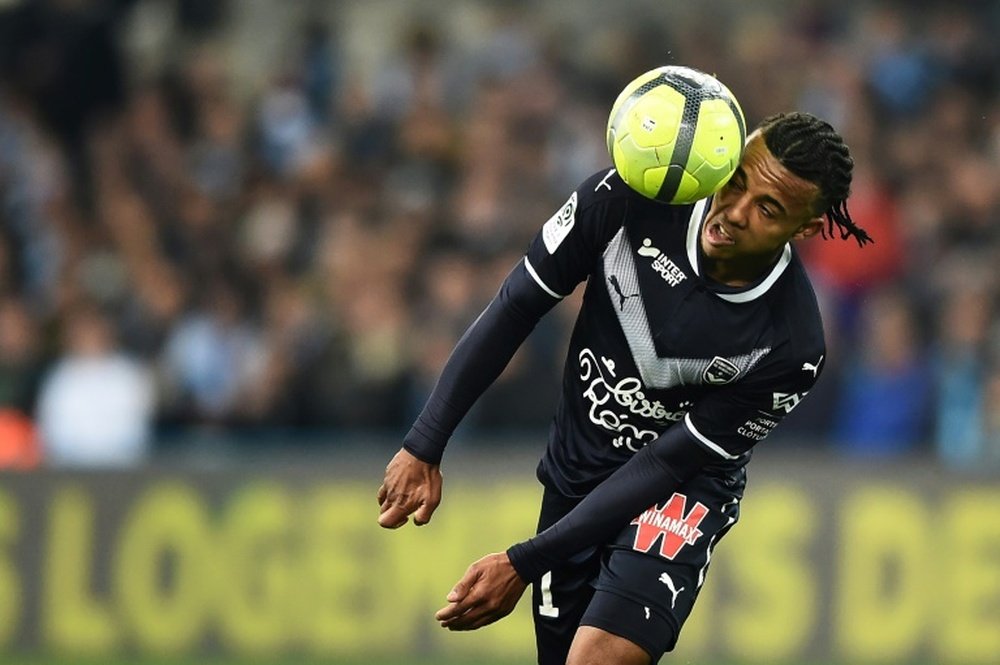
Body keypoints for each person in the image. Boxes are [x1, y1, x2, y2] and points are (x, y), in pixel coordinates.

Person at [377, 109, 871, 665]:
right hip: (575, 472)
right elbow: (517, 305)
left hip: (679, 493)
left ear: (805, 228)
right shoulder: (630, 195)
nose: (733, 212)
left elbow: (664, 464)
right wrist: (425, 441)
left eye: (767, 209)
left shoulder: (791, 344)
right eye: (735, 181)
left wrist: (525, 560)